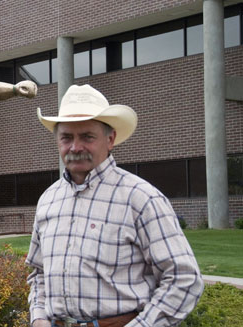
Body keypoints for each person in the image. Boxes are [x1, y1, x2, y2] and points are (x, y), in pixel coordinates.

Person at [26, 84, 203, 327]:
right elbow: (39, 274)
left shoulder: (141, 198)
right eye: (66, 137)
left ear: (110, 139)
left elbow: (184, 279)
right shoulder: (48, 200)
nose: (75, 147)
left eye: (87, 137)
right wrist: (38, 318)